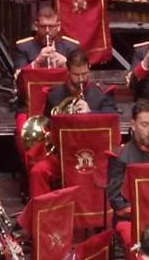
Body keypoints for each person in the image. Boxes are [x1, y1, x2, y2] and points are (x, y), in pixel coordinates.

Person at [22, 52, 119, 200]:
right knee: (38, 171)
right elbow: (48, 125)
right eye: (76, 74)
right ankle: (42, 216)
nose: (81, 79)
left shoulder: (102, 94)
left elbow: (112, 119)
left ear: (89, 69)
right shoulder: (54, 95)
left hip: (93, 154)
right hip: (63, 154)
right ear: (68, 71)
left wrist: (90, 113)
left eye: (85, 74)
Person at [105, 98, 149, 250]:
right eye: (144, 125)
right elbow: (117, 202)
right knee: (138, 241)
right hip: (132, 219)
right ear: (133, 125)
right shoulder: (120, 156)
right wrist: (147, 212)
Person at [9, 3, 80, 72]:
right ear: (36, 26)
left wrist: (66, 64)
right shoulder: (23, 48)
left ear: (58, 26)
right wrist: (37, 62)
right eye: (43, 26)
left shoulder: (72, 47)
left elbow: (81, 76)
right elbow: (18, 78)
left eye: (51, 26)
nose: (47, 30)